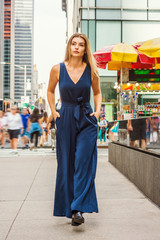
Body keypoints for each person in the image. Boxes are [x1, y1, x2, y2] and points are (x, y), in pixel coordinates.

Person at [47, 33, 102, 226]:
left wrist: (97, 111)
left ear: (85, 48)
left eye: (81, 44)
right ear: (69, 46)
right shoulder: (57, 69)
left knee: (83, 162)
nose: (77, 47)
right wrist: (54, 111)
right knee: (67, 163)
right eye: (73, 43)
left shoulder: (91, 70)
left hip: (86, 118)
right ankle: (70, 206)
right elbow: (50, 90)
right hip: (66, 116)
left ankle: (77, 208)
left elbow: (97, 92)